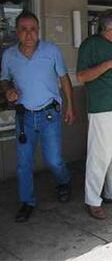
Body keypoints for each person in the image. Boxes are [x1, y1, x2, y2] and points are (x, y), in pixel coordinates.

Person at [0, 11, 75, 222]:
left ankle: (64, 181)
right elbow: (4, 79)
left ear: (38, 30)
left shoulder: (51, 51)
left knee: (54, 160)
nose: (29, 34)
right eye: (23, 29)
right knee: (24, 163)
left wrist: (70, 105)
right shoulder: (9, 55)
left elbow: (64, 78)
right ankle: (27, 202)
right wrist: (8, 90)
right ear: (16, 32)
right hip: (24, 117)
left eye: (32, 29)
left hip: (49, 113)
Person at [77, 9, 112, 220]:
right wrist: (110, 64)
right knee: (99, 156)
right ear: (108, 28)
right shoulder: (90, 45)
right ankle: (93, 200)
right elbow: (82, 76)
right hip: (102, 109)